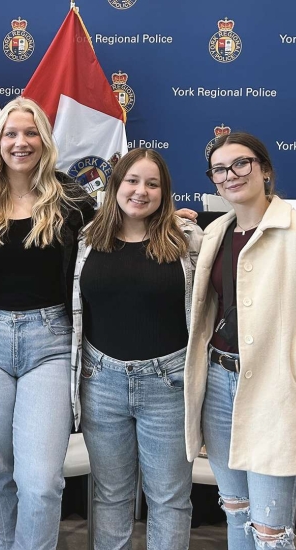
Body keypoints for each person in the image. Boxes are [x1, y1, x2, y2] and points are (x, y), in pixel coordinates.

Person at [184, 132, 296, 549]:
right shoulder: (216, 232)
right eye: (219, 169)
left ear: (264, 169)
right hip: (218, 386)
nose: (231, 175)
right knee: (236, 510)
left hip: (274, 391)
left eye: (241, 163)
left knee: (270, 532)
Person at [0, 97, 96, 550]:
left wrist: (167, 219)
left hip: (51, 343)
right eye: (11, 133)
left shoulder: (72, 199)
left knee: (41, 480)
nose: (21, 142)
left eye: (31, 133)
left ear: (45, 140)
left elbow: (116, 235)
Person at [71, 148, 202, 550]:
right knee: (111, 495)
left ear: (165, 192)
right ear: (115, 185)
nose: (140, 191)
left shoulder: (187, 239)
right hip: (101, 381)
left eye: (152, 184)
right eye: (132, 180)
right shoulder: (86, 238)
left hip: (168, 384)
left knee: (169, 498)